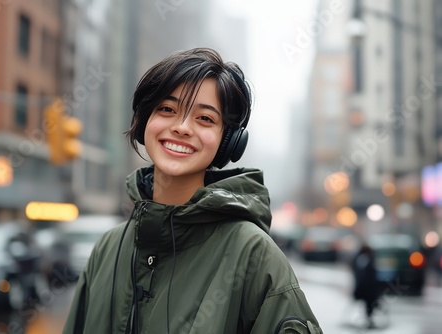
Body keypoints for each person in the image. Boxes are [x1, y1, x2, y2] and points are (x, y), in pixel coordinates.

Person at [62, 47, 323, 334]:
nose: (183, 127)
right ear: (144, 121)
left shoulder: (253, 254)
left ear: (227, 142)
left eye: (205, 118)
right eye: (167, 109)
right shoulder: (107, 248)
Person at [351, 243, 380, 329]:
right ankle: (368, 319)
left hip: (362, 286)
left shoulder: (359, 258)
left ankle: (368, 318)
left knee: (368, 304)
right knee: (370, 303)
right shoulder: (367, 259)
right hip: (367, 287)